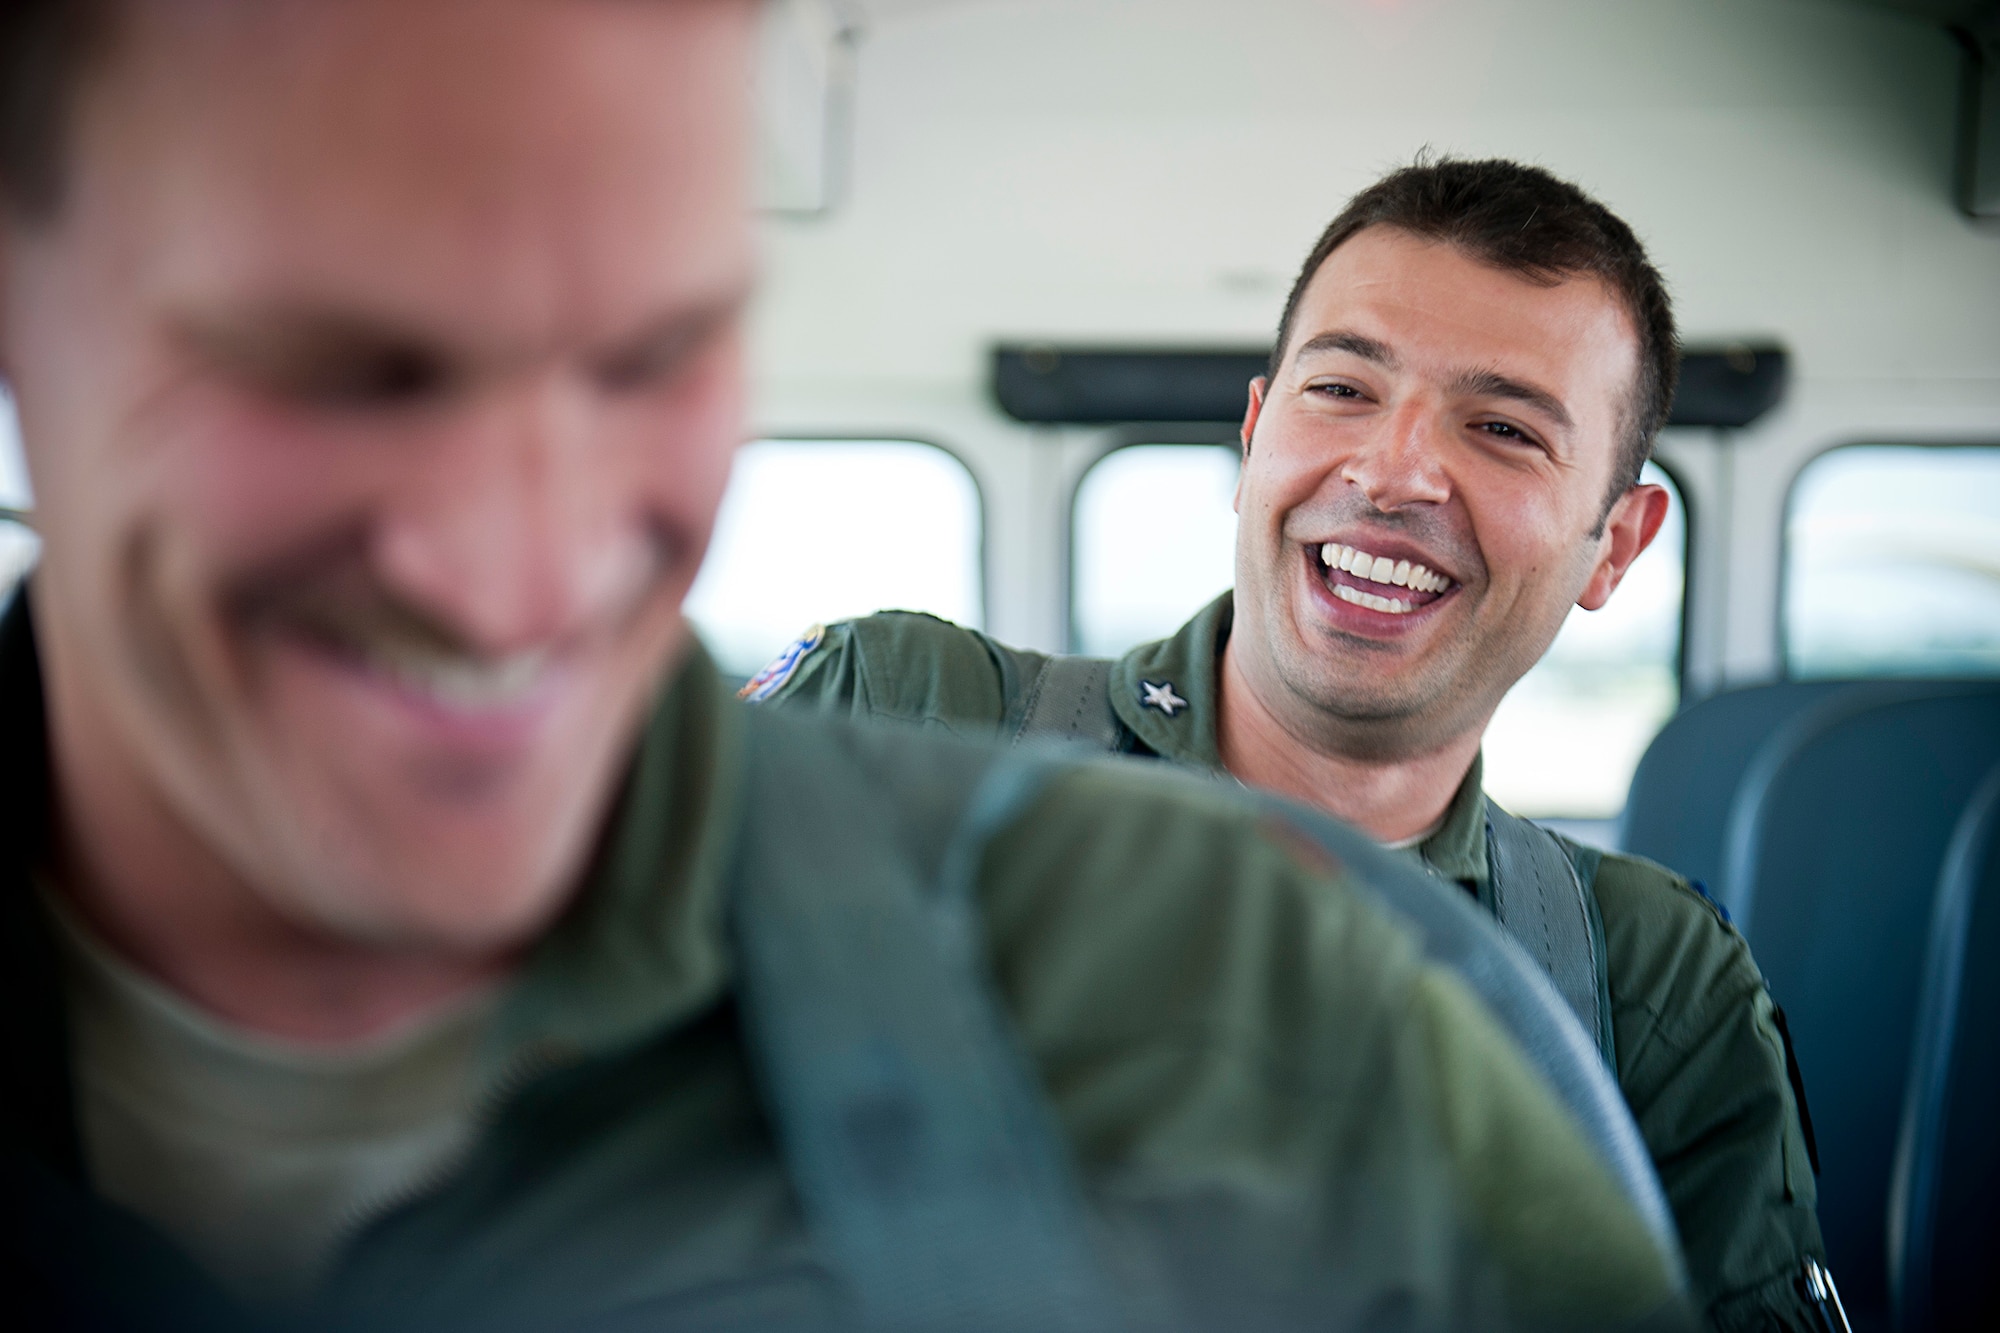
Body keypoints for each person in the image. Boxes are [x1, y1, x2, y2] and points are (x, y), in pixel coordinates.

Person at [0, 2, 1692, 1329]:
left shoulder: (1292, 992)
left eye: (649, 355)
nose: (515, 564)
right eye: (338, 364)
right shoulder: (905, 697)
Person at [762, 158, 1835, 1331]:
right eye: (1339, 389)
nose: (1390, 472)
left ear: (1614, 545)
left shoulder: (1656, 985)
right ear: (1253, 433)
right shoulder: (896, 716)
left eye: (1501, 428)